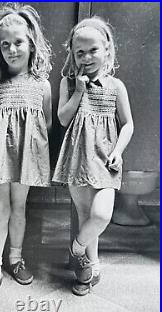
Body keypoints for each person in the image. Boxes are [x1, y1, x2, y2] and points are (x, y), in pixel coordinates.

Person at [0, 3, 52, 302]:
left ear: (31, 43)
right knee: (0, 210)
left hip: (26, 158)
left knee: (19, 207)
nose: (12, 50)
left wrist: (34, 155)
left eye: (18, 42)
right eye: (5, 44)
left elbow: (47, 123)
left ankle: (15, 259)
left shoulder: (41, 85)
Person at [52, 16, 134, 296]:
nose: (86, 57)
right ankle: (90, 268)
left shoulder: (116, 87)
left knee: (101, 215)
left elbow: (128, 124)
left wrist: (118, 151)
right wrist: (79, 91)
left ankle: (76, 249)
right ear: (73, 56)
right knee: (86, 214)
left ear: (107, 50)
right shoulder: (69, 83)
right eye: (80, 52)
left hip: (106, 160)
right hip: (78, 158)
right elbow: (63, 119)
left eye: (93, 50)